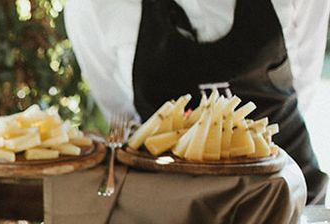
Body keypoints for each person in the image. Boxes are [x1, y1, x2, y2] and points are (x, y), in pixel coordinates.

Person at [64, 0, 330, 203]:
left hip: (289, 197)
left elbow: (303, 80)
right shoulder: (93, 5)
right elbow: (121, 112)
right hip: (173, 211)